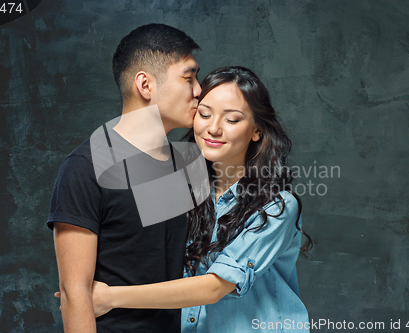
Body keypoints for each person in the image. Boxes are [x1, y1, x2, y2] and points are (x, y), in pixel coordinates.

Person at [85, 66, 313, 332]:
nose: (213, 128)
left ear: (256, 131)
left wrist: (110, 297)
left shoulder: (277, 206)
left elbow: (215, 286)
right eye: (204, 114)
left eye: (232, 120)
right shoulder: (178, 189)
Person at [47, 23, 201, 333]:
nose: (198, 90)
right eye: (188, 77)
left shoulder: (187, 166)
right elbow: (75, 294)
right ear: (145, 85)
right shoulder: (85, 168)